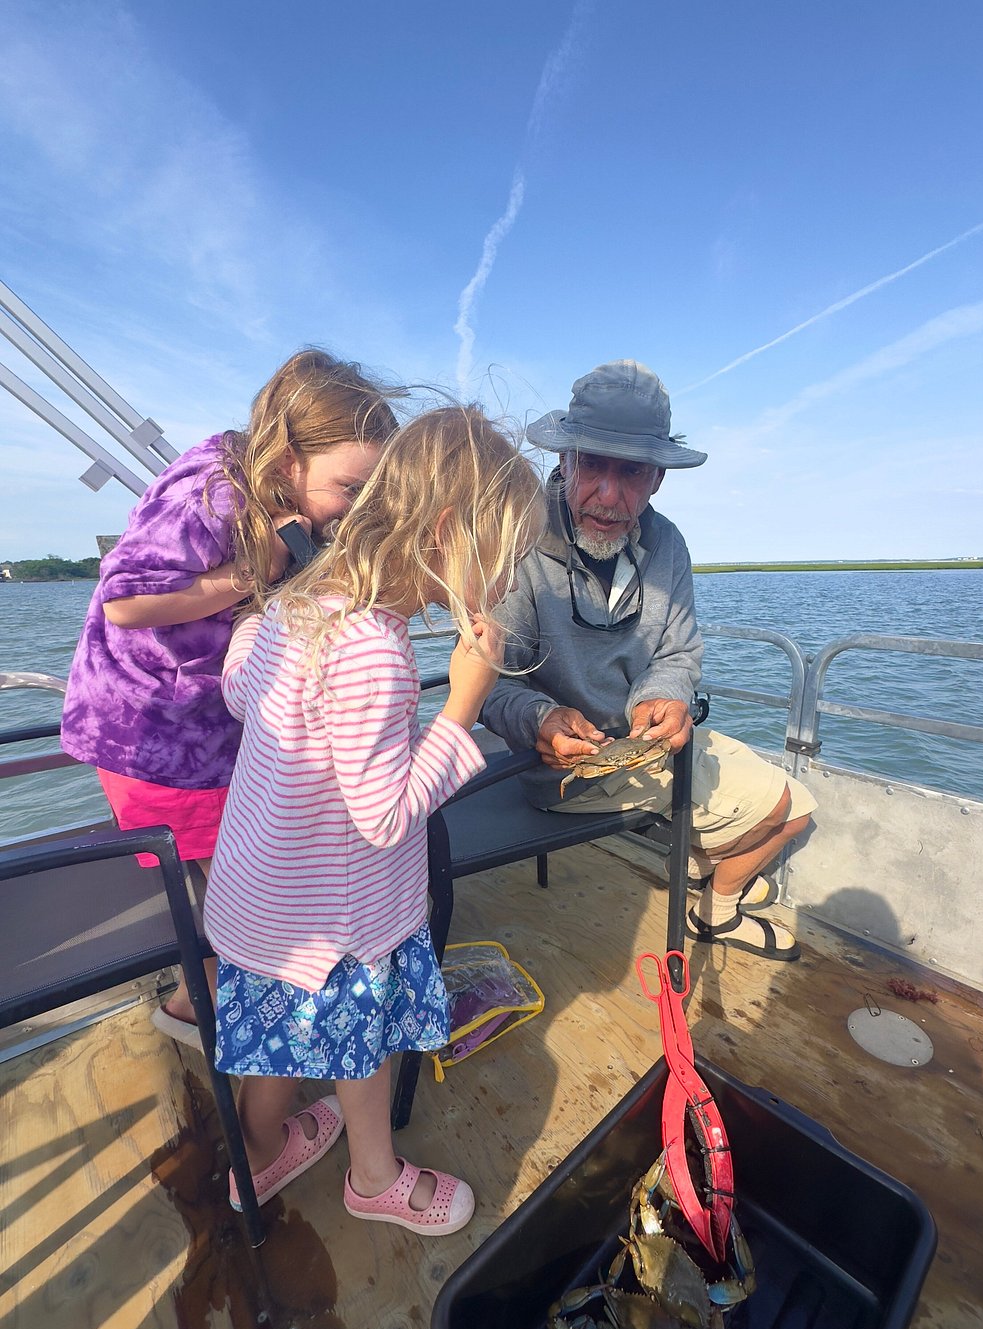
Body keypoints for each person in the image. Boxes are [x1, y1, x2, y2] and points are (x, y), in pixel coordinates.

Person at [201, 405, 544, 1230]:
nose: (503, 584)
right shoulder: (378, 650)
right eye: (501, 560)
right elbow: (387, 817)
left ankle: (259, 1152)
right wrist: (461, 707)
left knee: (274, 1041)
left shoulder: (297, 604)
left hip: (263, 899)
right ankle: (372, 1174)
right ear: (448, 529)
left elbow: (238, 681)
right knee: (359, 1041)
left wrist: (251, 632)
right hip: (335, 923)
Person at [60, 350, 401, 1045]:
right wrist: (248, 575)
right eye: (348, 487)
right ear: (287, 462)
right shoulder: (212, 491)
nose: (355, 507)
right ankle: (228, 1019)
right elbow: (125, 602)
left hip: (195, 725)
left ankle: (205, 1002)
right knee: (249, 886)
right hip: (151, 732)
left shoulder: (270, 490)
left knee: (235, 877)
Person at [480, 360, 816, 960]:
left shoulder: (668, 545)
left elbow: (679, 654)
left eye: (632, 473)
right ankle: (715, 909)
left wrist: (667, 698)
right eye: (591, 467)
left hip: (641, 750)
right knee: (793, 809)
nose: (609, 497)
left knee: (782, 803)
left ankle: (711, 883)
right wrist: (540, 720)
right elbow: (489, 682)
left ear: (658, 478)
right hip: (556, 771)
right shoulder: (517, 539)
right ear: (564, 461)